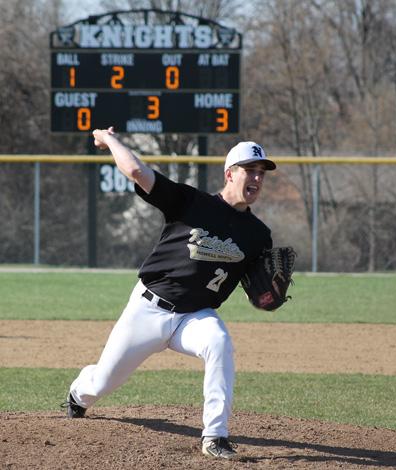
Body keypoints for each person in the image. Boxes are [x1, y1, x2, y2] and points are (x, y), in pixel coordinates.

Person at [62, 126, 276, 460]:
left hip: (194, 317)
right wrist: (107, 139)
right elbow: (135, 171)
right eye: (250, 170)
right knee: (102, 382)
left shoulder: (259, 235)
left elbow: (258, 289)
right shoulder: (190, 203)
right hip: (149, 309)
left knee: (219, 341)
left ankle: (215, 436)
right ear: (229, 174)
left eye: (261, 173)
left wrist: (267, 298)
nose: (257, 179)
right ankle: (78, 393)